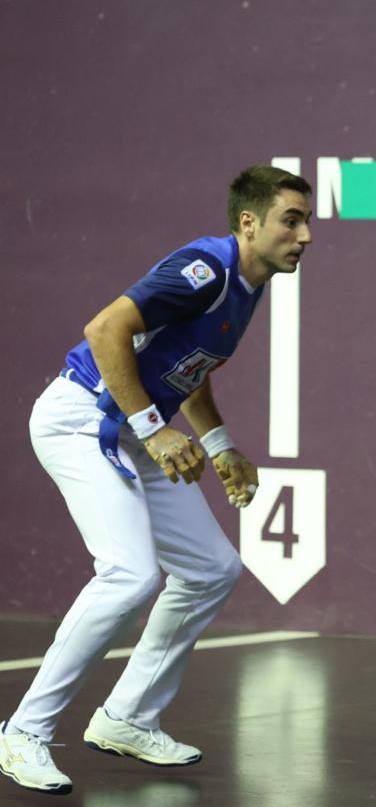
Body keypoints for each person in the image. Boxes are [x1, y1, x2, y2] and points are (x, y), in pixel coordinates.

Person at [0, 165, 313, 796]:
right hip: (82, 419)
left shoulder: (250, 286)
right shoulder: (205, 268)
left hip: (134, 429)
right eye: (291, 220)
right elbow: (105, 329)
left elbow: (188, 368)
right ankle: (22, 733)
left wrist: (220, 444)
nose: (305, 235)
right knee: (129, 574)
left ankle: (127, 718)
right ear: (248, 223)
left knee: (210, 569)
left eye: (307, 222)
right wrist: (155, 430)